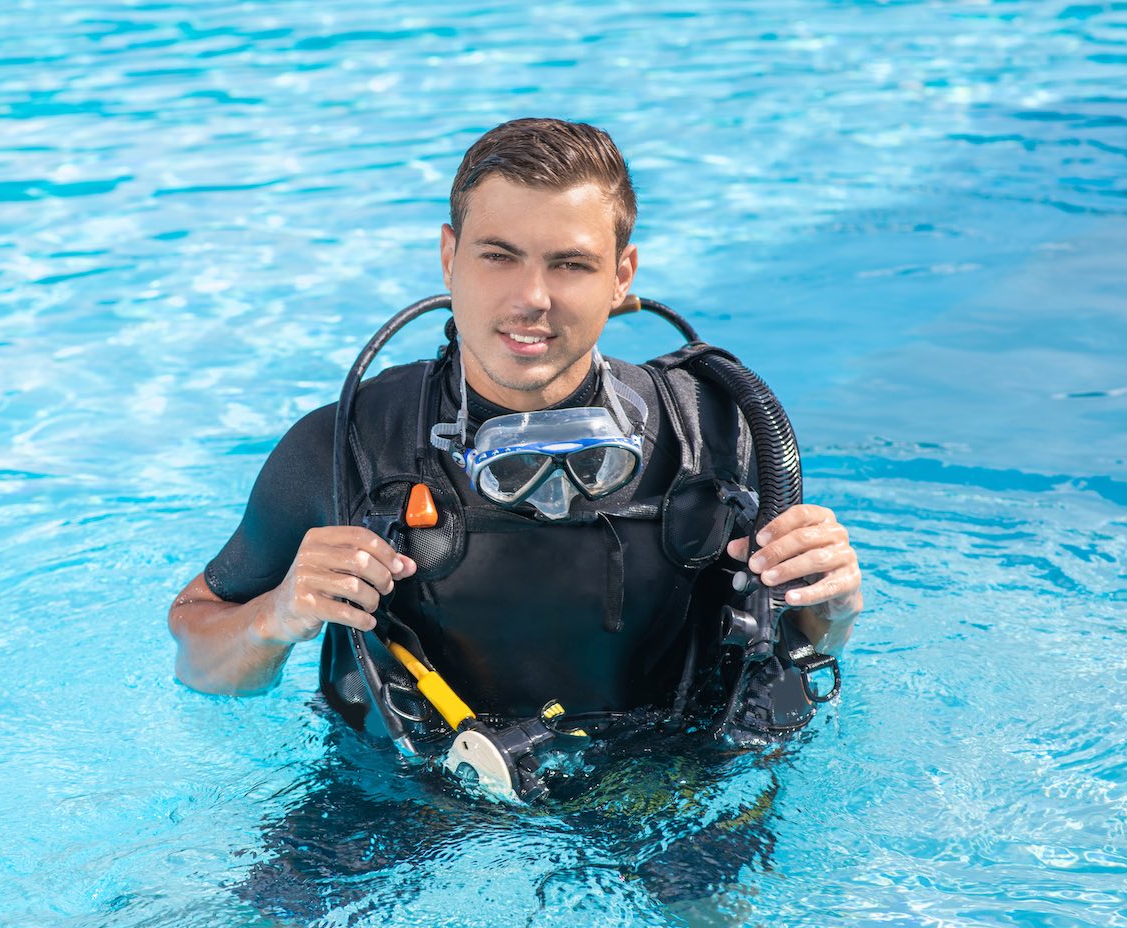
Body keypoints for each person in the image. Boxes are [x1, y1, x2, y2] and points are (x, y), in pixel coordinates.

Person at [169, 118, 863, 772]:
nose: (532, 297)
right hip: (399, 792)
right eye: (499, 256)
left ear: (622, 277)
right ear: (449, 257)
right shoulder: (348, 446)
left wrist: (828, 611)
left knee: (712, 909)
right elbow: (197, 653)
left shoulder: (714, 433)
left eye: (570, 264)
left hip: (664, 784)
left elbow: (794, 653)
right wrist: (277, 614)